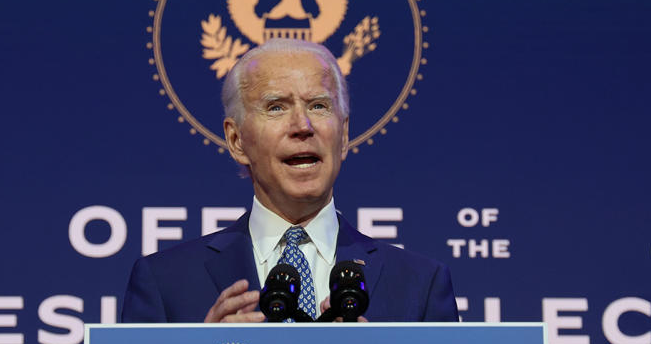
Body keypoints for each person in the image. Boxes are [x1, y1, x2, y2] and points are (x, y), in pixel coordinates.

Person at [121, 39, 458, 323]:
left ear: (343, 136)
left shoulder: (420, 285)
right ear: (237, 140)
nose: (303, 125)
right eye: (277, 107)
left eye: (319, 106)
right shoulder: (165, 283)